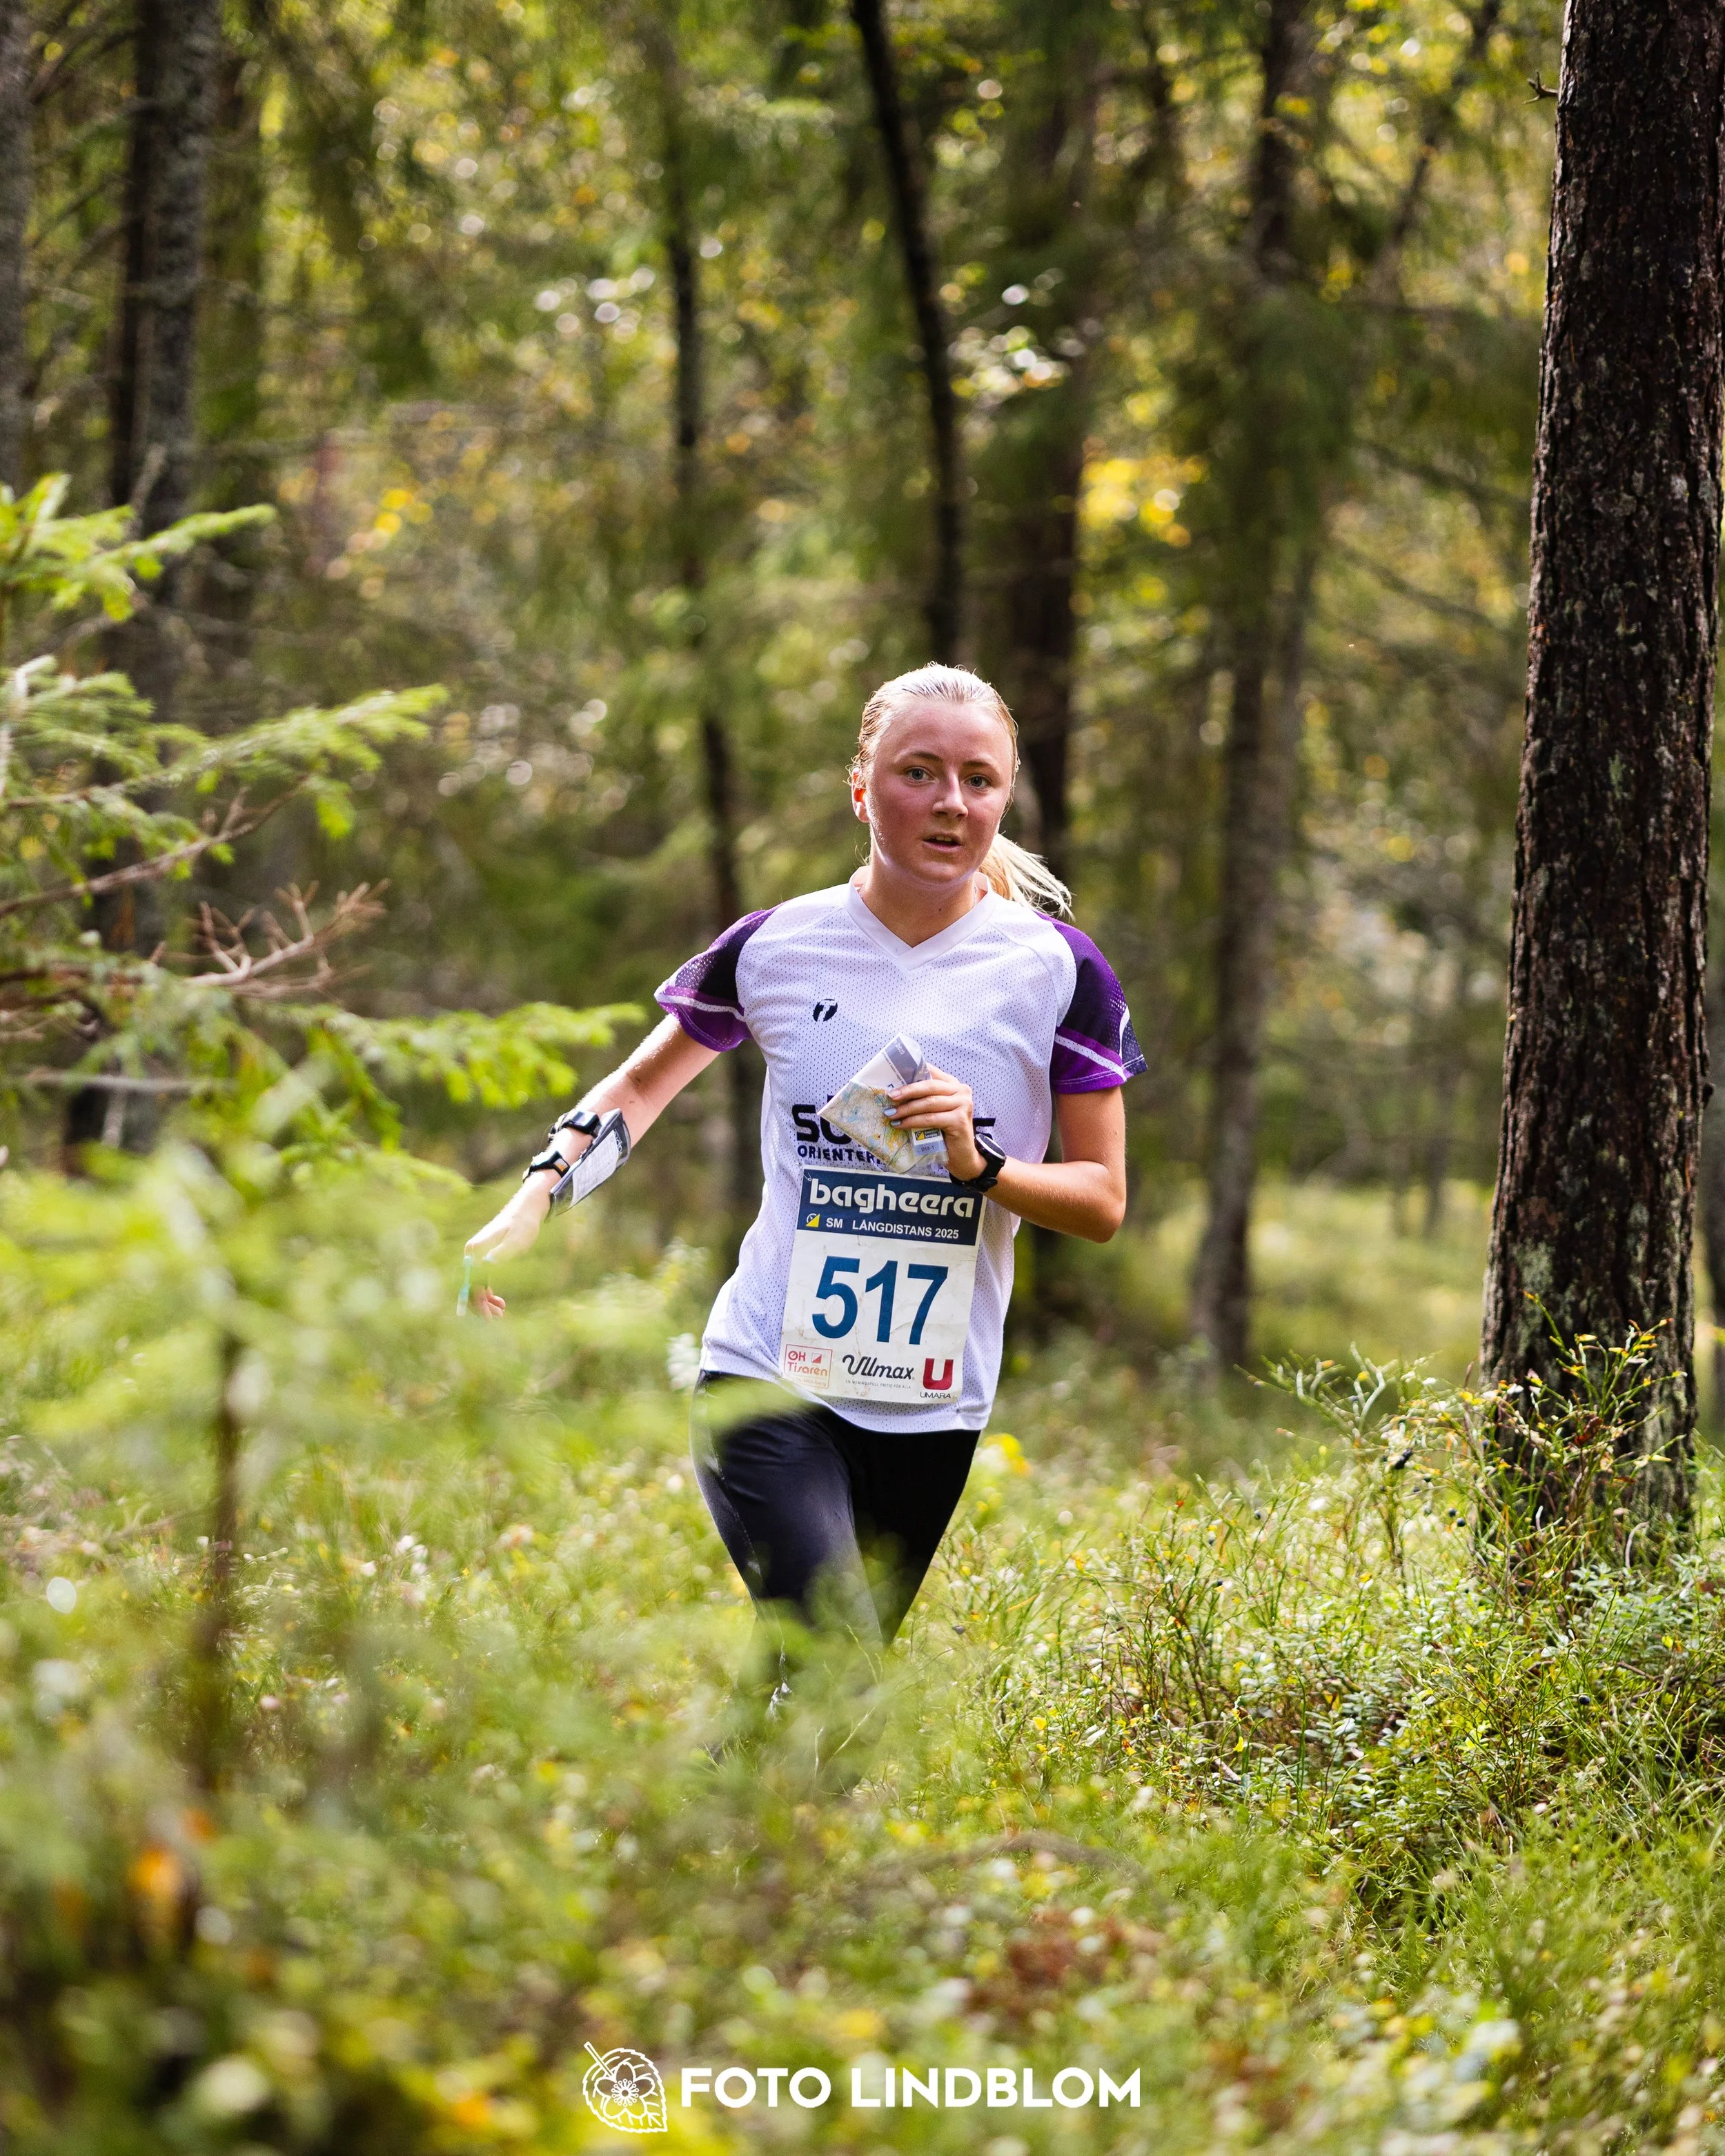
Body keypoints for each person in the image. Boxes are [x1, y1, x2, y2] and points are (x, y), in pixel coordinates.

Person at [464, 662, 1146, 1685]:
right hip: (768, 1377)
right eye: (919, 772)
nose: (951, 802)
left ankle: (700, 1837)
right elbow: (639, 1090)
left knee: (805, 1712)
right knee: (840, 1671)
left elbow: (1101, 1203)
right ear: (863, 789)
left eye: (979, 779)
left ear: (1003, 798)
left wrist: (983, 1164)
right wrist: (532, 1198)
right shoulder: (781, 945)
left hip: (934, 1403)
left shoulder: (1057, 970)